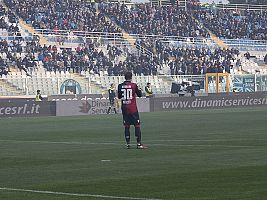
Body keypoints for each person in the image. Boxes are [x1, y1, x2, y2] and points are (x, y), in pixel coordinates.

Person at [118, 72, 146, 149]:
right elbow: (140, 95)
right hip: (132, 108)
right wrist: (139, 90)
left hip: (124, 108)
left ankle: (128, 144)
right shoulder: (134, 85)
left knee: (126, 126)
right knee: (137, 125)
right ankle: (139, 144)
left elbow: (119, 96)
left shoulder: (120, 86)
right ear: (131, 77)